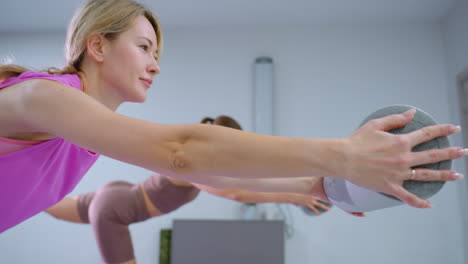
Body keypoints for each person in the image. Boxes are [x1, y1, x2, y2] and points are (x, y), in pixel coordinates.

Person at [0, 0, 465, 233]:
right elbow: (181, 152)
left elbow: (210, 173)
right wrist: (343, 155)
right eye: (144, 48)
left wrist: (314, 185)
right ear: (97, 46)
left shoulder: (84, 135)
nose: (156, 65)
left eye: (157, 52)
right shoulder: (42, 98)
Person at [45, 115, 332, 264]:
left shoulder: (202, 166)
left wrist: (301, 186)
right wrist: (296, 196)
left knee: (48, 203)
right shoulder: (195, 166)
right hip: (116, 210)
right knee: (52, 205)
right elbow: (237, 193)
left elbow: (245, 181)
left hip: (116, 195)